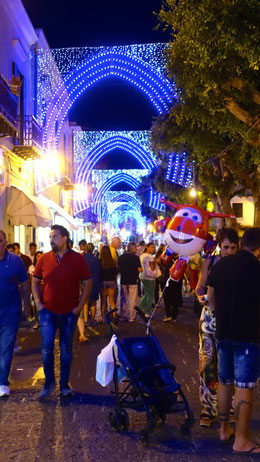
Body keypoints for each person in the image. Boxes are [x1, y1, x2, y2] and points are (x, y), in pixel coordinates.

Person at [207, 228, 260, 454]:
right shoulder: (256, 268)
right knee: (244, 386)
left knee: (225, 381)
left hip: (223, 332)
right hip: (247, 335)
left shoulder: (220, 265)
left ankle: (223, 429)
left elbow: (210, 299)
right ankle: (241, 440)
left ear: (240, 244)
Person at [32, 225, 92, 398]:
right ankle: (49, 383)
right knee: (46, 348)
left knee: (66, 349)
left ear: (65, 238)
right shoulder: (43, 258)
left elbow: (88, 283)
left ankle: (64, 385)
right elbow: (35, 281)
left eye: (55, 236)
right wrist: (38, 303)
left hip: (69, 313)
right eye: (50, 236)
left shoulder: (77, 259)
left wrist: (79, 307)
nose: (51, 239)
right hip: (47, 312)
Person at [195, 228, 239, 427]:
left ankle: (229, 409)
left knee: (229, 365)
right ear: (219, 247)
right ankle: (207, 409)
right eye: (225, 247)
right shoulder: (210, 262)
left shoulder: (242, 265)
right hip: (210, 320)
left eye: (232, 247)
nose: (228, 251)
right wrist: (201, 297)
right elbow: (199, 288)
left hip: (231, 319)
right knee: (207, 364)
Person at [0, 230, 30, 397]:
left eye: (0, 240)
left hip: (9, 311)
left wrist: (26, 307)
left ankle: (2, 382)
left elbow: (25, 284)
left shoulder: (15, 260)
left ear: (5, 242)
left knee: (5, 346)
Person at [118, 242, 142, 322]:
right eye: (136, 248)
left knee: (123, 298)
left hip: (123, 280)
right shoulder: (135, 258)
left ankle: (123, 315)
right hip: (133, 280)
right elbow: (140, 269)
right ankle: (132, 317)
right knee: (132, 299)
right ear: (133, 249)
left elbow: (118, 267)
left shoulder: (121, 257)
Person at [139, 242, 160, 317]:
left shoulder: (142, 255)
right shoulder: (150, 257)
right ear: (147, 247)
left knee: (147, 294)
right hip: (150, 277)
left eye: (154, 247)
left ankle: (140, 308)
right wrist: (155, 261)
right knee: (150, 295)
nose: (153, 249)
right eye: (152, 247)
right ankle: (148, 311)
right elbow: (152, 268)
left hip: (143, 276)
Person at [100, 245, 118, 321]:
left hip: (103, 282)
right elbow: (116, 273)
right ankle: (114, 315)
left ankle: (104, 318)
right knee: (111, 300)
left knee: (103, 301)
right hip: (112, 282)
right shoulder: (112, 262)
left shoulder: (100, 262)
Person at [28, 251, 43, 329]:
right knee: (36, 306)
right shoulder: (32, 267)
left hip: (44, 289)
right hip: (36, 289)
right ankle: (37, 322)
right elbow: (31, 280)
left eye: (41, 256)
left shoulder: (46, 266)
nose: (39, 257)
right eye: (37, 256)